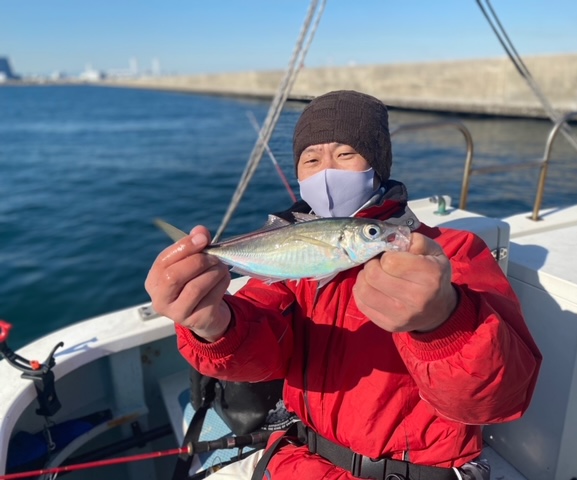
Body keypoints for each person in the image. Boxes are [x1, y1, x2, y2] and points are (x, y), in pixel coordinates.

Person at [145, 90, 542, 480]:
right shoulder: (292, 268)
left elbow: (499, 398)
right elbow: (262, 350)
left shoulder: (450, 253)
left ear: (377, 165)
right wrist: (215, 326)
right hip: (299, 461)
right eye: (311, 159)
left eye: (346, 154)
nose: (326, 172)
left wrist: (444, 322)